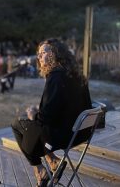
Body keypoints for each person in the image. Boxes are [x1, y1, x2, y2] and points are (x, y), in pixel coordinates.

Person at [11, 38, 92, 187]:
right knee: (31, 123)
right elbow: (77, 105)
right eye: (39, 53)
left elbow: (45, 118)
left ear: (55, 53)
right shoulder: (77, 74)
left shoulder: (55, 76)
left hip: (62, 136)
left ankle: (40, 169)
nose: (39, 56)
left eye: (43, 52)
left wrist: (34, 114)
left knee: (17, 123)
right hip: (81, 133)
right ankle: (52, 160)